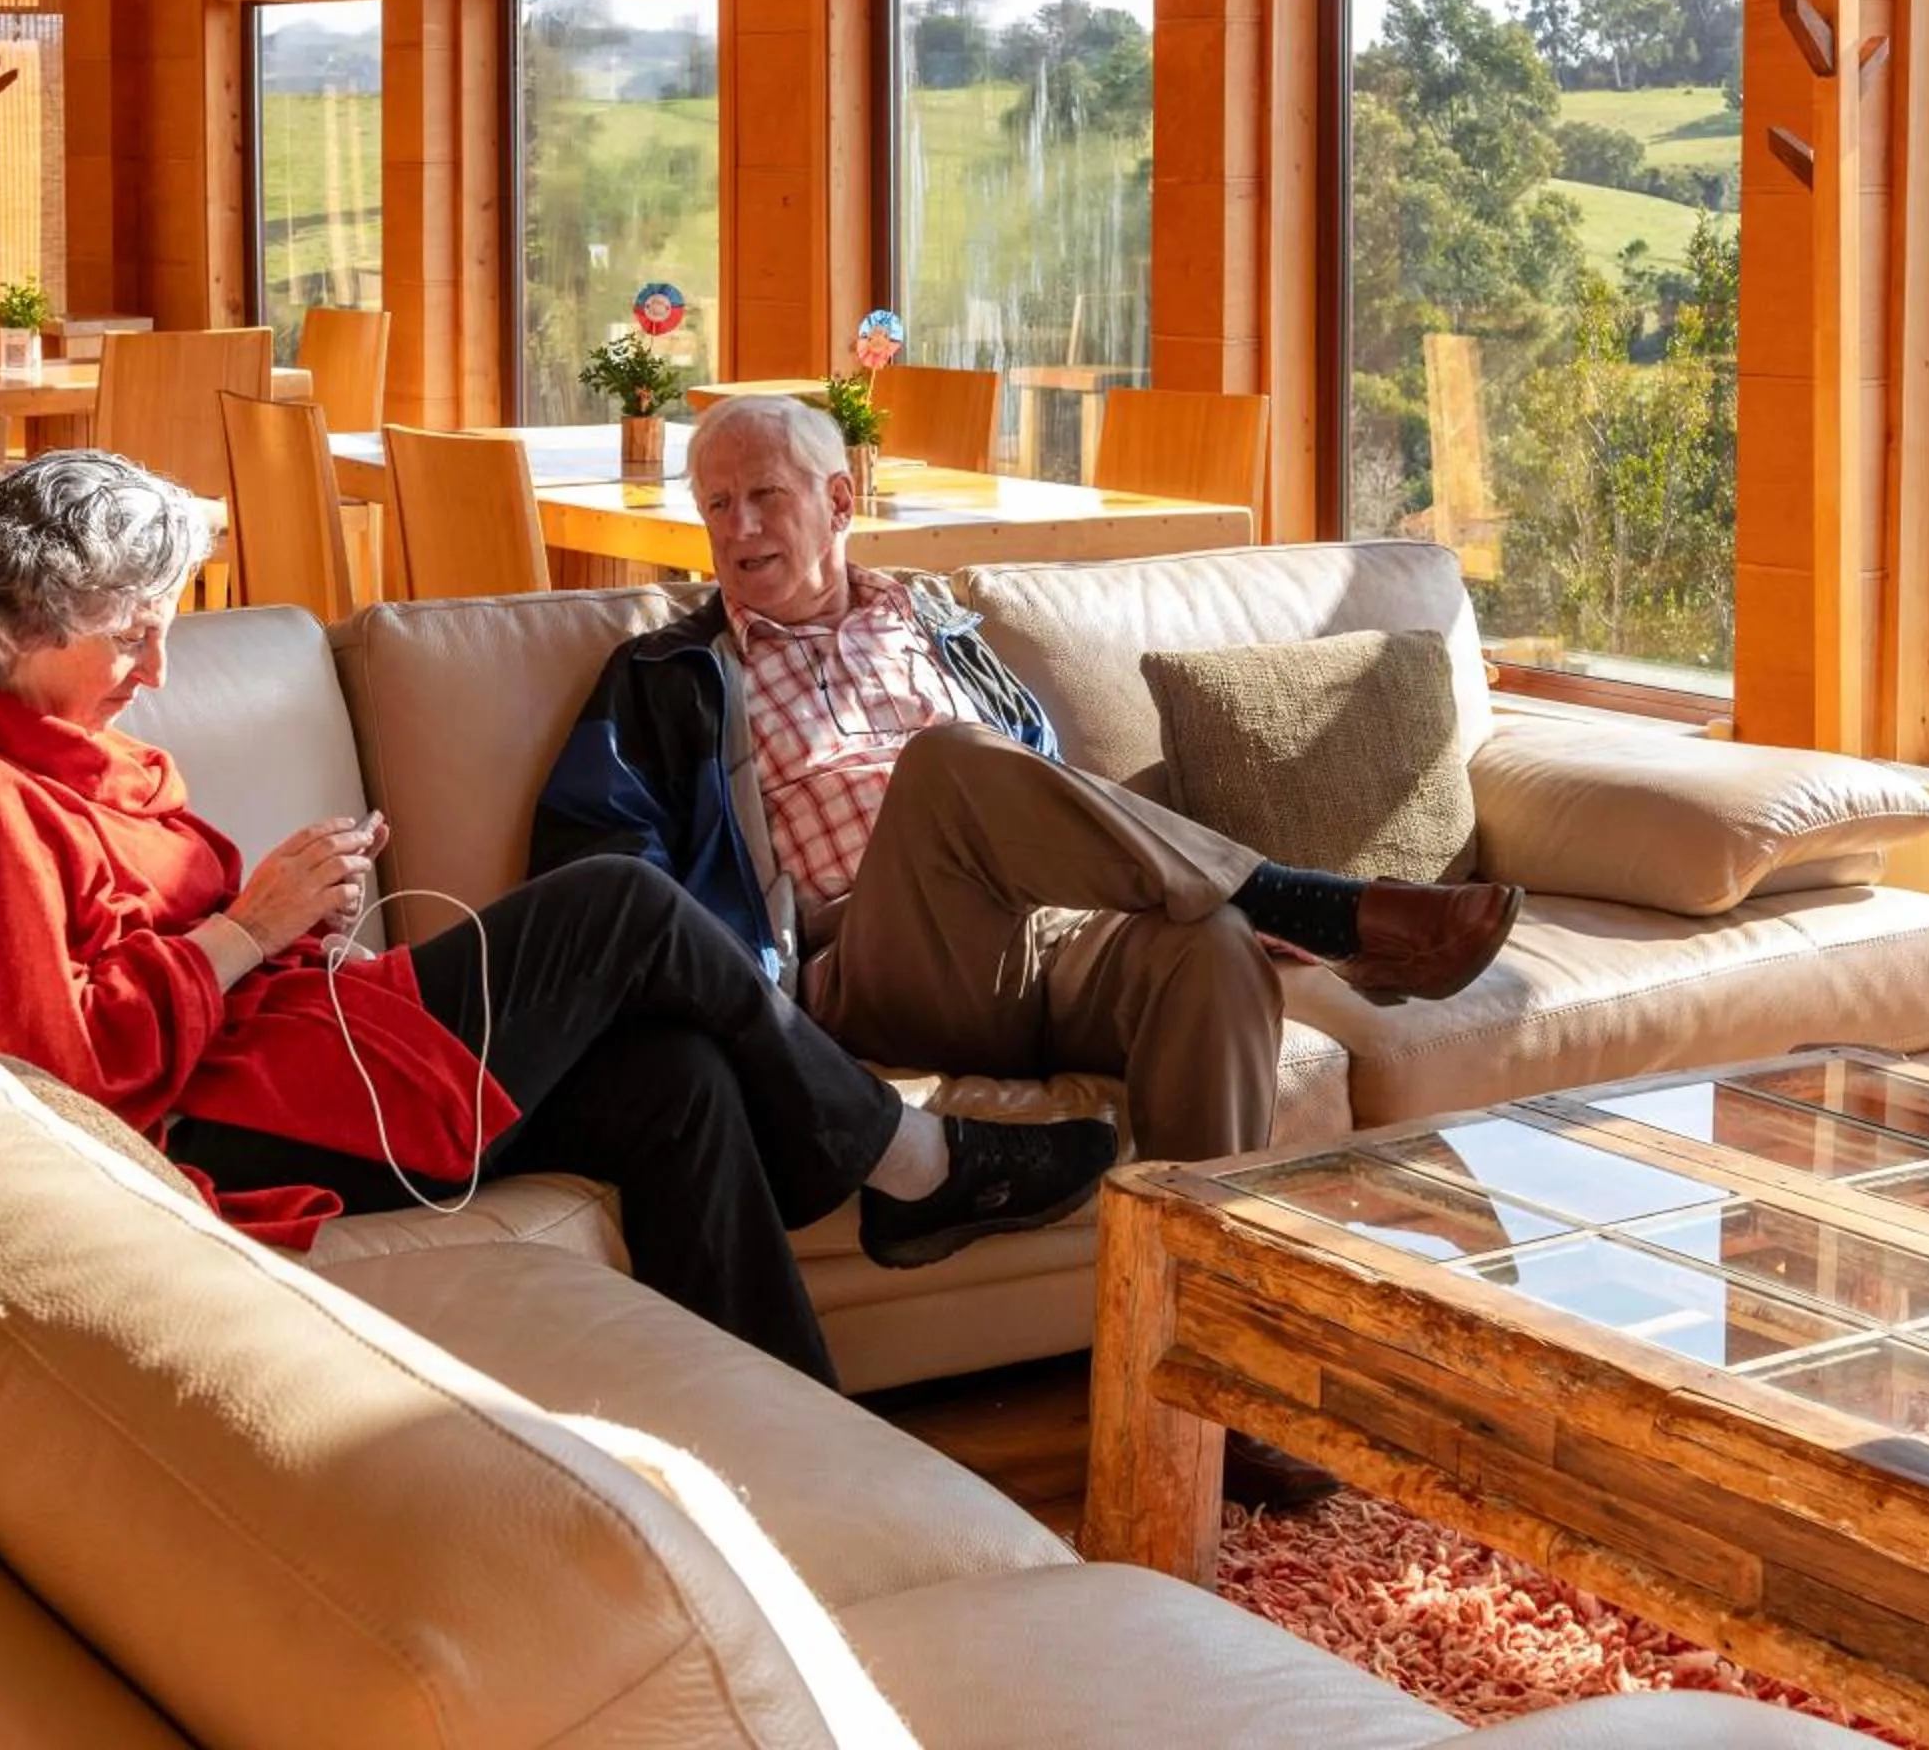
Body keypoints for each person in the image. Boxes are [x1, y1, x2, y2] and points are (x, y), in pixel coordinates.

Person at [0, 451, 1115, 1388]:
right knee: (619, 900)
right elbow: (55, 1080)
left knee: (675, 1076)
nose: (159, 670)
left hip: (288, 1052)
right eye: (132, 635)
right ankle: (908, 1157)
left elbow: (163, 952)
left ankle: (797, 1428)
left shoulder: (63, 743)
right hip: (235, 1126)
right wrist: (248, 928)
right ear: (21, 627)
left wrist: (291, 920)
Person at [531, 395, 1524, 1498]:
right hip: (865, 955)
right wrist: (738, 989)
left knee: (1216, 950)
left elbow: (1051, 795)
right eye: (716, 503)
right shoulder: (666, 673)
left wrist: (1157, 894)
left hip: (1041, 938)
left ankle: (1212, 1377)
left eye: (764, 493)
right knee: (949, 760)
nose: (737, 525)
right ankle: (1328, 909)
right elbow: (598, 875)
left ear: (840, 500)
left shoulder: (941, 626)